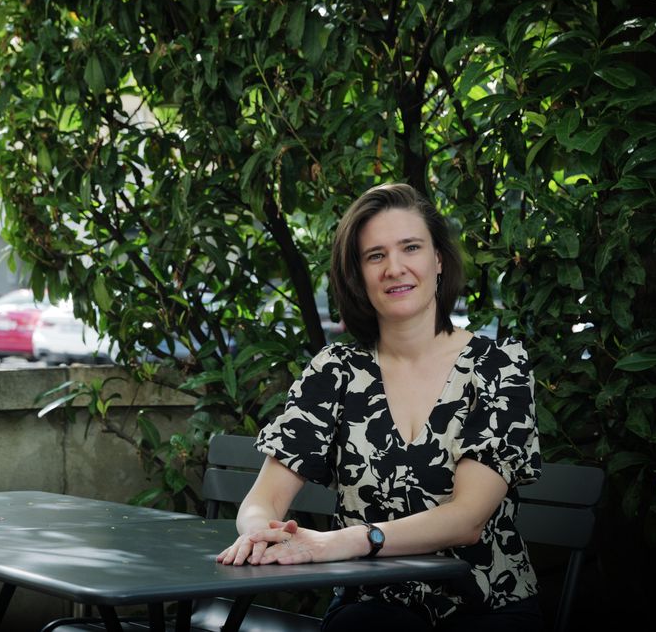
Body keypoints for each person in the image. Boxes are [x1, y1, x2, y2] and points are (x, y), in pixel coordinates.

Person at [216, 183, 544, 631]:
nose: (395, 268)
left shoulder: (498, 367)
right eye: (375, 256)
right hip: (374, 608)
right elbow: (265, 498)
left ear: (439, 260)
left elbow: (467, 520)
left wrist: (348, 541)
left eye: (411, 247)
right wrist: (260, 530)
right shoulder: (336, 371)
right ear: (358, 274)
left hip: (486, 603)